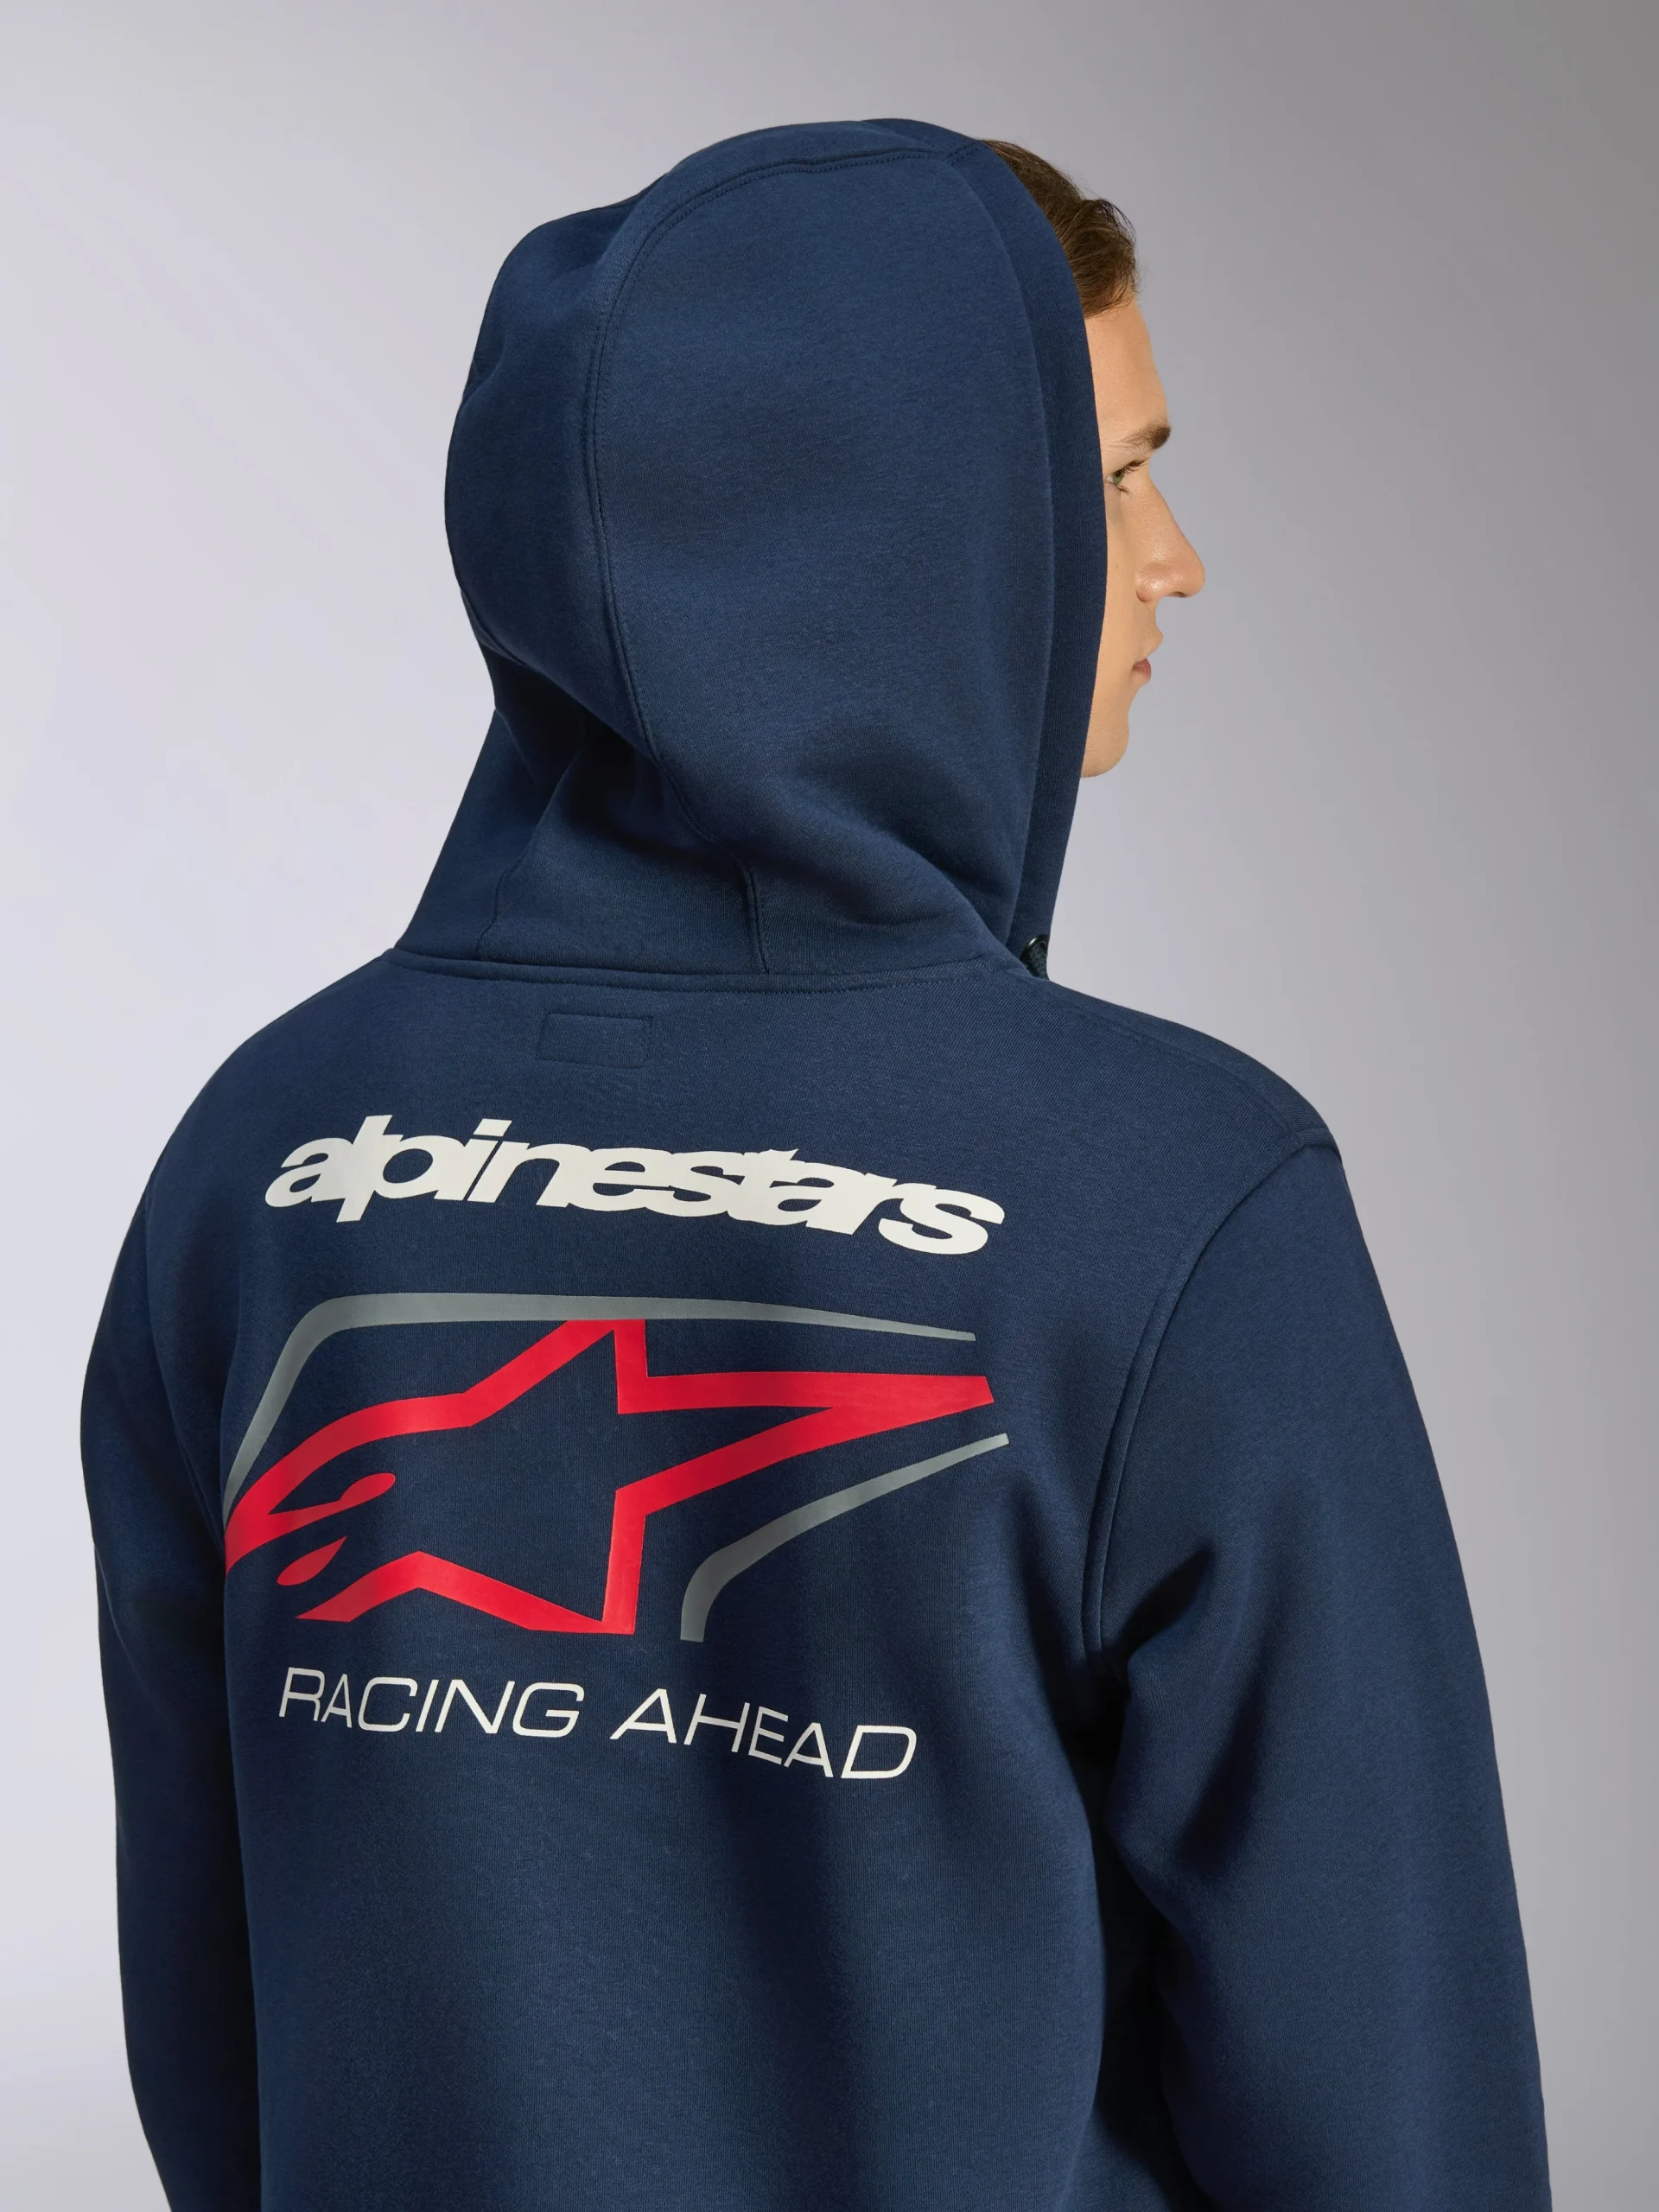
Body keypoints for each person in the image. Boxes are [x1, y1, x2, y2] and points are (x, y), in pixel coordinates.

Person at [82, 119, 1550, 2211]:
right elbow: (1386, 2100)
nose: (1175, 560)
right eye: (1115, 478)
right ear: (913, 525)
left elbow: (218, 2016)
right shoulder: (1178, 1201)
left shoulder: (267, 1155)